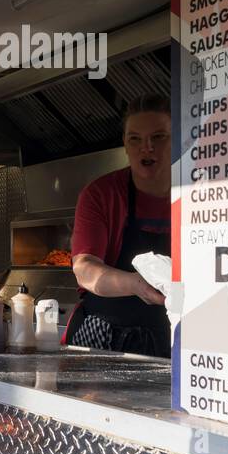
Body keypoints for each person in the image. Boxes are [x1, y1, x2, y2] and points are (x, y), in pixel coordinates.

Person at [65, 95, 172, 357]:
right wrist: (137, 284)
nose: (146, 147)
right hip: (104, 336)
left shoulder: (199, 192)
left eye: (158, 137)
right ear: (124, 143)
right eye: (135, 138)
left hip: (174, 335)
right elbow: (84, 268)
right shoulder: (101, 194)